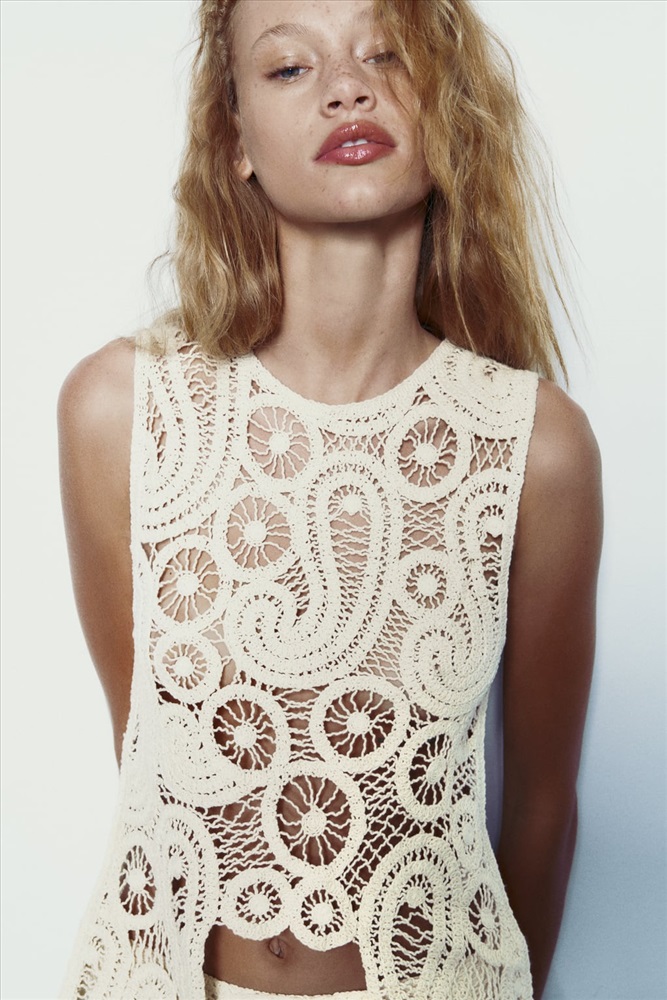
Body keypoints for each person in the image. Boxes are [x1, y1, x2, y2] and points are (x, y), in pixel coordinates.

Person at [57, 1, 602, 998]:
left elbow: (540, 808)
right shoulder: (123, 411)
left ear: (445, 109)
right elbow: (148, 769)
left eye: (385, 54)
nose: (348, 88)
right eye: (288, 69)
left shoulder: (535, 445)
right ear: (235, 143)